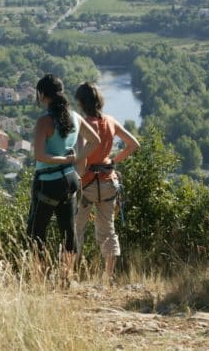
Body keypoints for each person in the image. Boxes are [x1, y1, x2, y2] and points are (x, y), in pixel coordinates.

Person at [28, 74, 100, 282]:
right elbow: (94, 141)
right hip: (70, 180)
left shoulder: (44, 122)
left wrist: (62, 159)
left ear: (42, 95)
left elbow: (40, 156)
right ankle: (67, 277)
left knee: (36, 231)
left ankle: (39, 278)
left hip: (47, 182)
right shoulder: (75, 117)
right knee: (69, 231)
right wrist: (75, 158)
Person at [74, 82, 140, 282]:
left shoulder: (85, 125)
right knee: (108, 230)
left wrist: (81, 175)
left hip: (88, 184)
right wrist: (112, 161)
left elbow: (81, 157)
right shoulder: (110, 121)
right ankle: (108, 277)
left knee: (76, 229)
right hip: (109, 182)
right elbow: (133, 144)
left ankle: (68, 275)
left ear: (82, 103)